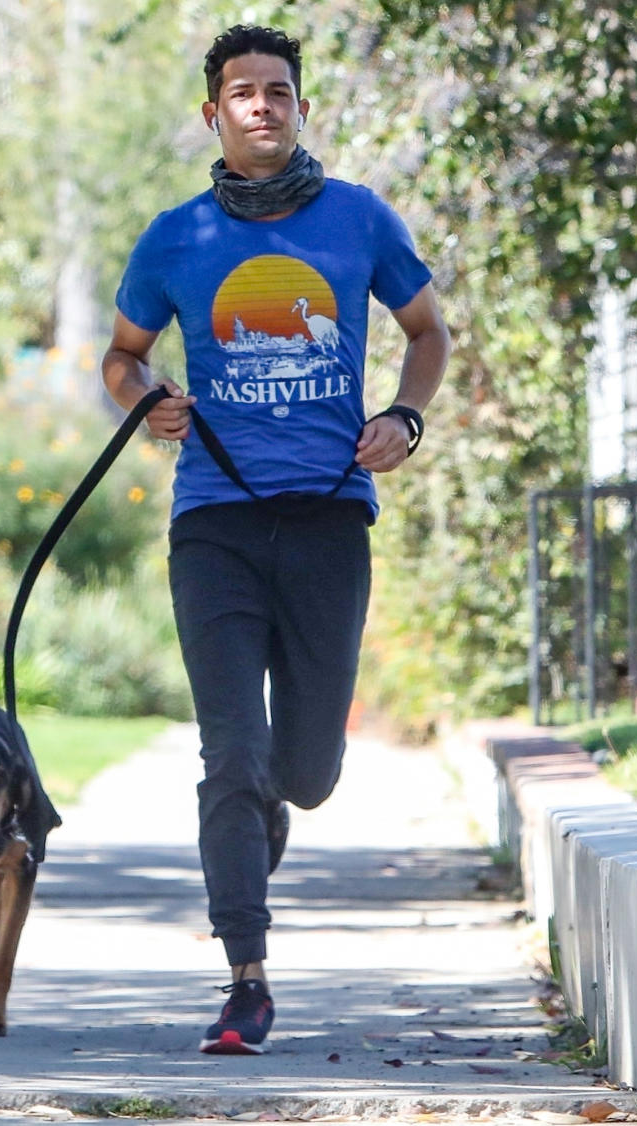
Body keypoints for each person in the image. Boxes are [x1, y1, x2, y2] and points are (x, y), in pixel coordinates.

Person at [101, 24, 451, 1055]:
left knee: (301, 771)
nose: (262, 104)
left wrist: (405, 415)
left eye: (278, 90)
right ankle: (246, 976)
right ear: (214, 114)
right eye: (242, 92)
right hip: (214, 520)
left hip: (331, 518)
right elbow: (122, 355)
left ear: (301, 107)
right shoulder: (176, 237)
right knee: (232, 751)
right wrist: (147, 398)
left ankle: (268, 811)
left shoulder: (357, 219)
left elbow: (426, 330)